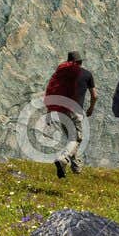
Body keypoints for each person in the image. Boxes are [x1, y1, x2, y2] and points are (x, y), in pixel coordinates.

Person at [44, 51, 81, 179]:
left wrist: (49, 110)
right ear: (77, 62)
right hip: (68, 107)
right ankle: (63, 158)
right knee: (76, 138)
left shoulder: (58, 72)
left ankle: (74, 167)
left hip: (57, 108)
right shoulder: (74, 70)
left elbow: (50, 89)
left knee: (71, 136)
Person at [69, 56, 96, 173]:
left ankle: (75, 167)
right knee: (77, 138)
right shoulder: (87, 75)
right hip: (76, 110)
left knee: (71, 139)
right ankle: (66, 160)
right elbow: (95, 96)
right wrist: (91, 108)